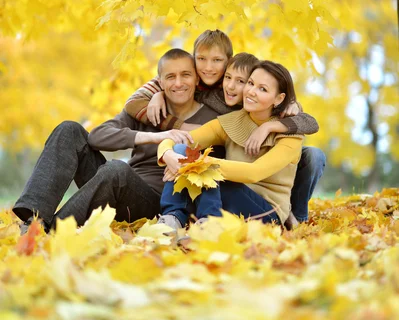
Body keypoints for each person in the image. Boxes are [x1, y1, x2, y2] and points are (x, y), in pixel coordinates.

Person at [13, 49, 217, 233]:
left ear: (196, 79)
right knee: (69, 130)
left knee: (117, 170)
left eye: (186, 75)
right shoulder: (145, 111)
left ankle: (52, 232)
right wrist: (154, 137)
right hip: (119, 187)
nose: (178, 83)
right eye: (171, 77)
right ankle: (34, 219)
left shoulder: (210, 118)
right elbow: (97, 136)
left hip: (158, 205)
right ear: (160, 83)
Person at [157, 60, 319, 230]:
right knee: (182, 150)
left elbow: (254, 173)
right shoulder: (231, 122)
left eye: (262, 89)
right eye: (250, 83)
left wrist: (199, 164)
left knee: (204, 166)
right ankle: (172, 218)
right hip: (229, 201)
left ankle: (210, 224)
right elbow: (180, 140)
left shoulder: (290, 136)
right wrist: (168, 154)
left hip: (267, 214)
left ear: (279, 99)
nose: (251, 92)